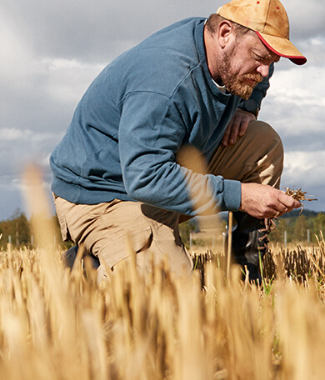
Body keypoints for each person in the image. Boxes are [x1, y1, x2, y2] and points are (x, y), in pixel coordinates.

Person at [48, 0, 305, 282]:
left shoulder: (228, 51)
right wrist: (241, 196)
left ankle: (243, 270)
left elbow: (263, 66)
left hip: (168, 167)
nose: (265, 71)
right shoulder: (165, 81)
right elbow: (146, 177)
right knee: (171, 298)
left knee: (263, 143)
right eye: (259, 57)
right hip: (108, 193)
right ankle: (86, 270)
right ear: (224, 34)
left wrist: (248, 106)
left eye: (272, 61)